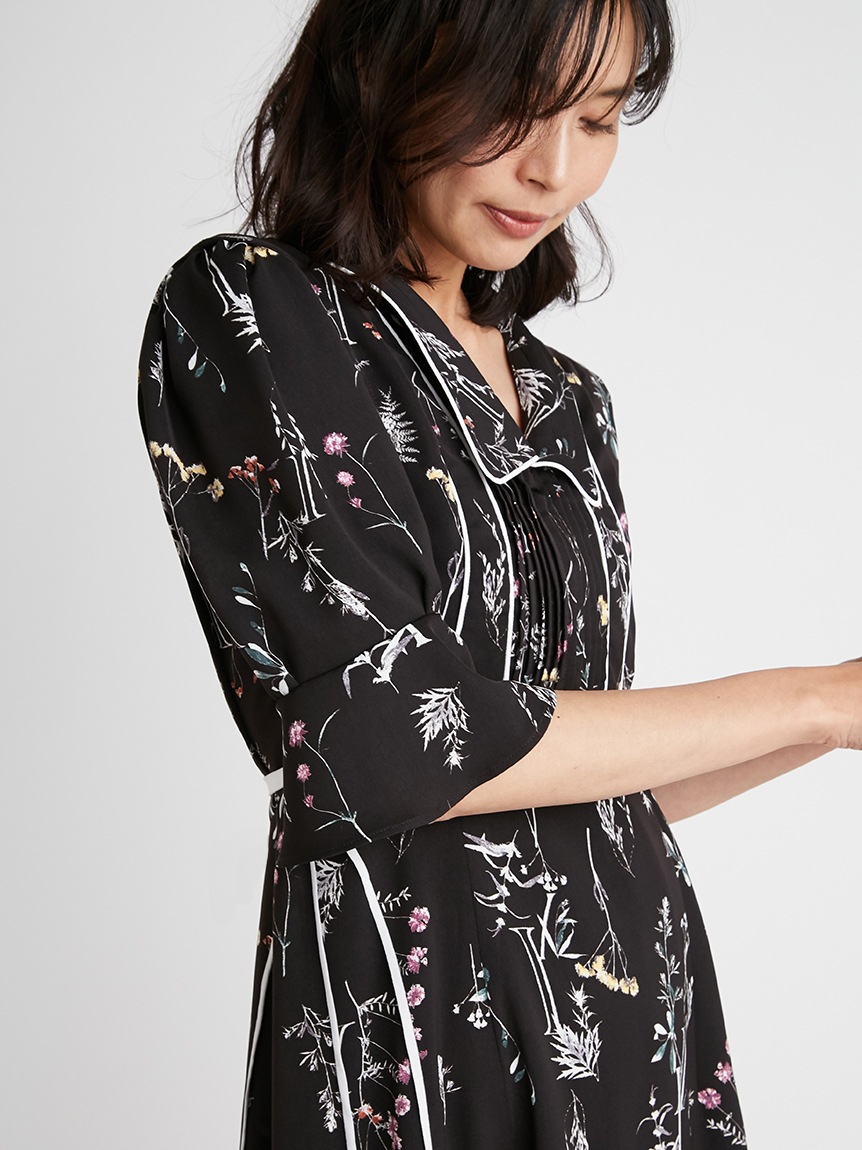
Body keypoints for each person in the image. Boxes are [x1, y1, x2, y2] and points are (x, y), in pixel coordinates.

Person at [136, 1, 861, 1146]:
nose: (554, 169)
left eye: (597, 119)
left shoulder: (570, 401)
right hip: (421, 1029)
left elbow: (585, 787)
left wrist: (838, 720)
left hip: (633, 1014)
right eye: (514, 107)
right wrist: (820, 697)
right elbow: (396, 745)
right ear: (388, 66)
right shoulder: (256, 308)